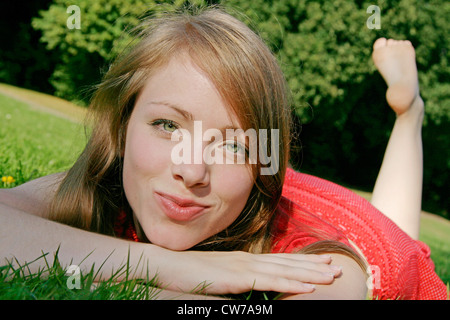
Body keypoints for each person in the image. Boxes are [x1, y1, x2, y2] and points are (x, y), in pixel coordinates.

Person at [0, 7, 446, 300]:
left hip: (379, 250)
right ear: (122, 126)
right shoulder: (114, 178)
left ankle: (410, 113)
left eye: (234, 145)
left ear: (262, 166)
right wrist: (172, 267)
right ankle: (408, 112)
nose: (192, 170)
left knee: (401, 244)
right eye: (167, 125)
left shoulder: (321, 266)